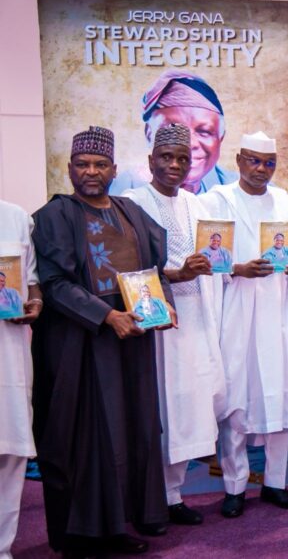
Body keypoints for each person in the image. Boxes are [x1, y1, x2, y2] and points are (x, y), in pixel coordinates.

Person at [31, 126, 175, 555]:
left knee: (131, 430)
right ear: (69, 168)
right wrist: (107, 316)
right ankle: (82, 536)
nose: (91, 172)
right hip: (81, 344)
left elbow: (155, 269)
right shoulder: (56, 216)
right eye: (82, 164)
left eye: (99, 164)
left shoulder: (131, 211)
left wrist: (163, 306)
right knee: (84, 436)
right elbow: (54, 284)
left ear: (113, 169)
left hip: (132, 339)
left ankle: (117, 526)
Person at [199, 131, 288, 518]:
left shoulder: (284, 202)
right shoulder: (216, 200)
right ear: (238, 160)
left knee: (280, 393)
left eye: (268, 163)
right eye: (253, 160)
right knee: (237, 398)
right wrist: (237, 268)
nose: (261, 169)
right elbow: (202, 259)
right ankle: (234, 486)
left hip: (279, 309)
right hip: (237, 309)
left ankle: (276, 484)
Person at [124, 123, 227, 527]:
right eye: (166, 157)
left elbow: (214, 260)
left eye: (182, 159)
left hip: (197, 318)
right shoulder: (131, 205)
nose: (175, 165)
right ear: (151, 161)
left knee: (189, 407)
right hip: (155, 323)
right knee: (157, 408)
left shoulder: (197, 205)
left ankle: (172, 495)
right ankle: (147, 499)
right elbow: (127, 269)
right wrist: (176, 275)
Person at [111, 70, 238, 195]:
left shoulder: (233, 188)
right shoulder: (126, 188)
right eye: (174, 130)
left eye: (204, 132)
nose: (189, 144)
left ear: (221, 137)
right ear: (149, 134)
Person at [0, 200, 42, 559]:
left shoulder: (15, 218)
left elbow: (31, 281)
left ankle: (3, 547)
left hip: (9, 359)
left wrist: (35, 303)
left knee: (10, 453)